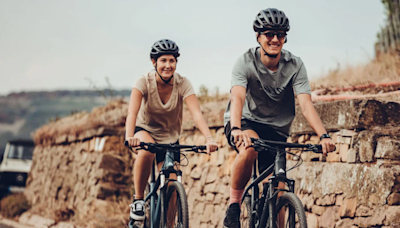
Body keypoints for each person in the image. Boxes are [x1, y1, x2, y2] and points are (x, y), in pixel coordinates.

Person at [222, 8, 336, 228]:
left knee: (279, 191)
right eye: (269, 34)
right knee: (249, 149)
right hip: (245, 121)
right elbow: (237, 97)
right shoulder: (245, 61)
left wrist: (323, 135)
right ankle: (234, 206)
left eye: (280, 34)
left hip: (276, 129)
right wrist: (236, 129)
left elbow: (305, 103)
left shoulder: (295, 65)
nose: (275, 39)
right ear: (258, 36)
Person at [125, 39, 218, 221]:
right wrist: (129, 136)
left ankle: (168, 224)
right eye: (163, 61)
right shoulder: (143, 81)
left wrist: (209, 138)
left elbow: (197, 114)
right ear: (154, 62)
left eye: (172, 61)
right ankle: (138, 200)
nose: (168, 65)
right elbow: (132, 112)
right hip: (145, 131)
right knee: (147, 150)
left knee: (173, 185)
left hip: (170, 138)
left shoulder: (183, 83)